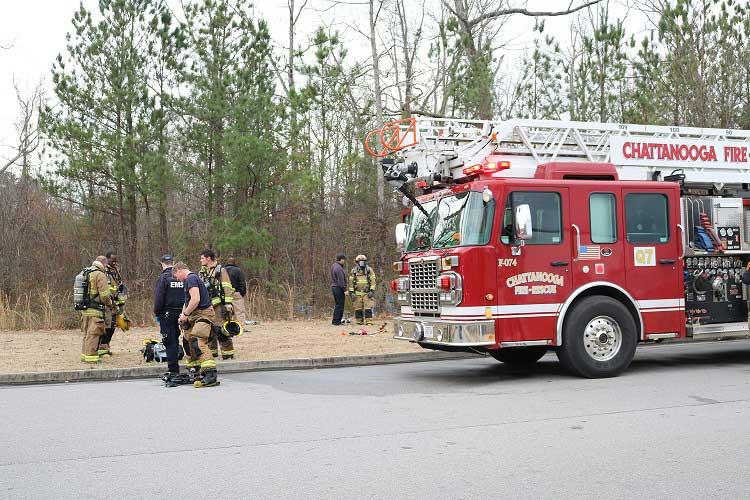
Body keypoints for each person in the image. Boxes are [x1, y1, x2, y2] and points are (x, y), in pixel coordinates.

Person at [173, 261, 219, 388]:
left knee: (198, 342)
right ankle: (195, 370)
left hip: (203, 314)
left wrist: (186, 314)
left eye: (176, 276)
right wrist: (183, 317)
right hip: (195, 315)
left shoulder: (191, 278)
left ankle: (210, 375)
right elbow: (188, 302)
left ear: (179, 270)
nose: (178, 279)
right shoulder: (189, 281)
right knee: (187, 340)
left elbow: (196, 299)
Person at [153, 254, 191, 387]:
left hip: (168, 314)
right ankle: (194, 367)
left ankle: (173, 370)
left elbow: (159, 299)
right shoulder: (184, 277)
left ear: (162, 264)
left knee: (171, 342)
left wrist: (158, 314)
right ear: (173, 263)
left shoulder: (163, 278)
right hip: (185, 312)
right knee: (189, 339)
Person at [199, 249, 237, 360]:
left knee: (220, 329)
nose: (200, 260)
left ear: (208, 258)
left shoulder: (220, 270)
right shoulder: (203, 271)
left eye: (202, 258)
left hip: (219, 305)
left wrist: (228, 304)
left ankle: (228, 354)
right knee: (209, 330)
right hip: (207, 305)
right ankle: (212, 353)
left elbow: (226, 286)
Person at [80, 256, 113, 363]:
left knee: (87, 334)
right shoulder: (100, 274)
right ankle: (91, 358)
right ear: (104, 263)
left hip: (85, 309)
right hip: (95, 309)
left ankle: (84, 356)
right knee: (94, 334)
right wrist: (110, 304)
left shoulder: (84, 272)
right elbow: (104, 295)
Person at [99, 251, 126, 357]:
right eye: (112, 260)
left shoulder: (116, 270)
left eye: (116, 261)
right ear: (107, 259)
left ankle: (107, 345)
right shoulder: (103, 271)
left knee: (114, 325)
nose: (114, 262)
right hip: (107, 303)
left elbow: (119, 284)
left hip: (116, 303)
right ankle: (102, 347)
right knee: (107, 326)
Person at [348, 254, 376, 325]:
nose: (361, 263)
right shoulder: (354, 271)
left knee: (368, 307)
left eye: (363, 261)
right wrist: (351, 292)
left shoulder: (369, 270)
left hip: (367, 293)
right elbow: (351, 282)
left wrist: (372, 290)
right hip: (357, 293)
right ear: (357, 262)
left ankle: (368, 321)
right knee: (358, 308)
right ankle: (359, 321)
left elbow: (373, 280)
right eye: (360, 261)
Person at [224, 257, 249, 326]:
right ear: (235, 262)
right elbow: (242, 283)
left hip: (225, 294)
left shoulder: (223, 270)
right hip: (236, 293)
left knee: (226, 312)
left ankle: (227, 327)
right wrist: (242, 293)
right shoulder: (238, 270)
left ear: (227, 262)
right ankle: (241, 327)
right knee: (239, 311)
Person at [330, 253, 347, 326]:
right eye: (344, 259)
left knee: (338, 304)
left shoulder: (334, 266)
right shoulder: (339, 268)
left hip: (334, 287)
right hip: (338, 288)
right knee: (340, 305)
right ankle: (336, 321)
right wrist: (344, 290)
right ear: (341, 259)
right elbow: (341, 281)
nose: (344, 261)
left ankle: (336, 321)